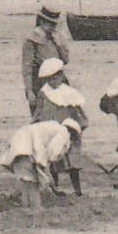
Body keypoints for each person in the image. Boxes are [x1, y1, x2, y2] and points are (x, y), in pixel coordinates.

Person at [31, 57, 89, 196]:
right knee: (52, 162)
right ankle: (54, 189)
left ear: (61, 76)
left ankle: (77, 190)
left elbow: (79, 114)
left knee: (72, 163)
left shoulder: (69, 93)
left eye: (55, 78)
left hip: (68, 132)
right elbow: (39, 111)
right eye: (49, 79)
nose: (52, 82)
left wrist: (79, 127)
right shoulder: (44, 93)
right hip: (51, 132)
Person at [0, 117, 81, 212]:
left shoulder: (51, 126)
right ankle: (36, 211)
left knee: (26, 184)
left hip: (18, 148)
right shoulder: (64, 132)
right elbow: (53, 151)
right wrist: (45, 167)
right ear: (73, 132)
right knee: (34, 185)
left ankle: (26, 210)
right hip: (27, 150)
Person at [21, 7, 69, 113]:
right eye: (50, 24)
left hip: (59, 80)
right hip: (39, 81)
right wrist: (29, 91)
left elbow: (65, 60)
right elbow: (27, 67)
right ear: (42, 22)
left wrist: (58, 44)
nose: (53, 27)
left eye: (54, 24)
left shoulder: (58, 36)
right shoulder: (32, 39)